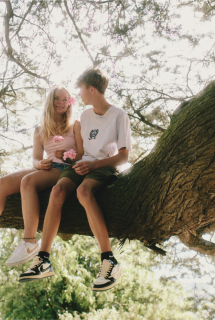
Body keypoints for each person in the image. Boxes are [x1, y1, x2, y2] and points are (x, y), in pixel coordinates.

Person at [18, 68, 131, 292]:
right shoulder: (85, 117)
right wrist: (69, 157)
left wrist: (94, 165)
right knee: (57, 191)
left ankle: (109, 260)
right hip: (82, 165)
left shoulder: (119, 115)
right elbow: (81, 152)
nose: (77, 95)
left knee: (83, 192)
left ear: (91, 89)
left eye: (80, 89)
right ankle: (43, 259)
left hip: (103, 166)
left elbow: (124, 156)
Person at [0, 86, 79, 268]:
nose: (61, 102)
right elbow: (36, 158)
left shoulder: (75, 125)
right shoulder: (40, 130)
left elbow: (84, 154)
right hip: (47, 167)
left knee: (27, 182)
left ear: (69, 103)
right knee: (2, 183)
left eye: (65, 99)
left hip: (64, 169)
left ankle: (29, 242)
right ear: (50, 101)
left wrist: (69, 155)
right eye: (57, 98)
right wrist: (39, 164)